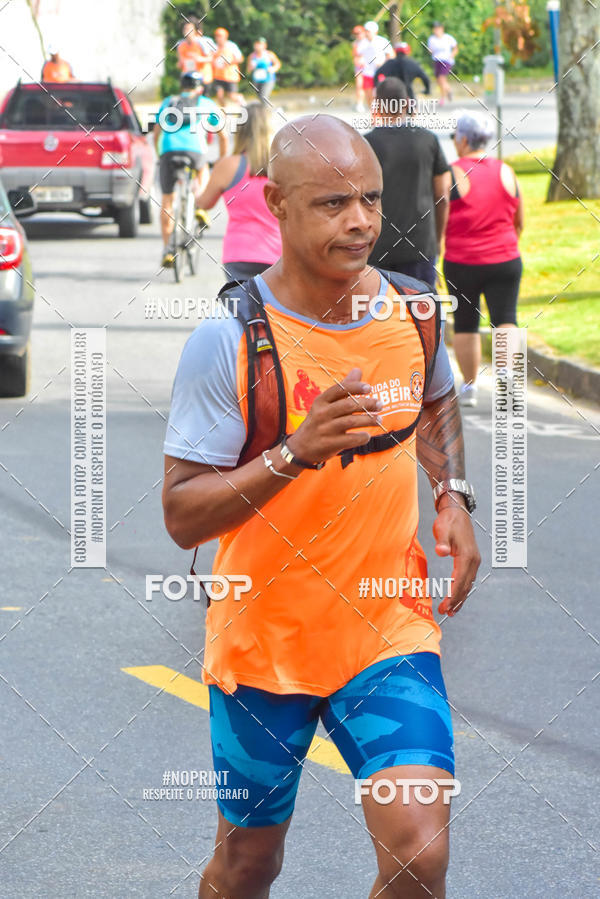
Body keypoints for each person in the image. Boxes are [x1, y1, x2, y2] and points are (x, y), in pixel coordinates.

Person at [163, 114, 480, 899]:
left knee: (420, 855)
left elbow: (436, 399)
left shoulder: (413, 312)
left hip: (388, 632)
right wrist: (293, 453)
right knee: (248, 865)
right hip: (265, 645)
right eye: (333, 203)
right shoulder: (231, 338)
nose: (361, 220)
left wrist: (452, 493)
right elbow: (181, 514)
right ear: (276, 202)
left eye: (371, 199)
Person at [443, 112, 524, 407]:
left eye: (455, 137)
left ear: (463, 140)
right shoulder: (506, 171)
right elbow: (519, 220)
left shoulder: (451, 174)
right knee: (506, 318)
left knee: (466, 322)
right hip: (505, 259)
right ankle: (507, 380)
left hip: (462, 261)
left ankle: (470, 387)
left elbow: (440, 219)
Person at [366, 78, 450, 289]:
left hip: (376, 246)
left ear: (377, 106)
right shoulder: (428, 140)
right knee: (420, 307)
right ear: (406, 104)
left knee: (378, 308)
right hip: (420, 245)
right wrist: (437, 241)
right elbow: (443, 196)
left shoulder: (366, 144)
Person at [195, 102, 282, 283]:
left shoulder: (228, 165)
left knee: (243, 301)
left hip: (239, 255)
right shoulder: (283, 165)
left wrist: (196, 189)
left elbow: (204, 203)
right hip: (278, 255)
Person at [154, 71, 226, 268]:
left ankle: (168, 250)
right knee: (203, 169)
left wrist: (160, 154)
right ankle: (200, 205)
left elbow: (157, 132)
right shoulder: (206, 103)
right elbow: (223, 135)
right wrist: (221, 160)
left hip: (169, 150)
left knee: (167, 200)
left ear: (182, 86)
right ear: (200, 88)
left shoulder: (169, 102)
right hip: (195, 150)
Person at [356, 20, 394, 109]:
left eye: (369, 31)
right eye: (366, 31)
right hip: (367, 73)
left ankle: (382, 113)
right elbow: (358, 56)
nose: (367, 33)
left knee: (379, 95)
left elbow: (391, 55)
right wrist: (360, 61)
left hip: (380, 72)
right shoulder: (362, 43)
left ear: (375, 32)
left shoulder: (382, 41)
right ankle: (373, 113)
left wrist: (384, 64)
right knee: (369, 96)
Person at [176, 20, 215, 92]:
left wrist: (200, 59)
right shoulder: (181, 44)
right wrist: (180, 64)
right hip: (188, 77)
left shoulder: (202, 42)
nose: (187, 31)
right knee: (187, 97)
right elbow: (180, 63)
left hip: (203, 77)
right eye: (185, 29)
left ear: (195, 31)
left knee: (200, 97)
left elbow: (211, 58)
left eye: (190, 29)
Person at [211, 27, 244, 106]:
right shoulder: (214, 47)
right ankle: (225, 111)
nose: (218, 38)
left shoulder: (231, 46)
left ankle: (242, 103)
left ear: (225, 36)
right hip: (218, 76)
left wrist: (229, 62)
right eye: (217, 36)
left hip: (230, 76)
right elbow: (211, 59)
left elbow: (240, 59)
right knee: (219, 95)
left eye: (220, 36)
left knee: (232, 96)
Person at [427, 22, 458, 104]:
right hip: (437, 60)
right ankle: (449, 90)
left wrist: (452, 55)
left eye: (438, 29)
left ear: (441, 29)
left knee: (442, 78)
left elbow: (455, 48)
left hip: (446, 60)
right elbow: (430, 50)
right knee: (439, 80)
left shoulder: (448, 38)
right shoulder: (432, 39)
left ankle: (442, 98)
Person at [247, 37, 281, 105]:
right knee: (259, 98)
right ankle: (264, 110)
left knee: (264, 97)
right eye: (257, 44)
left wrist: (273, 69)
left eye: (260, 44)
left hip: (268, 79)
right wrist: (251, 67)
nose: (258, 46)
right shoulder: (252, 56)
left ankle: (269, 109)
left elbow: (278, 64)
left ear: (264, 45)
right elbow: (248, 70)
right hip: (257, 80)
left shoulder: (269, 54)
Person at [351, 24, 367, 111]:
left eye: (359, 33)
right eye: (356, 34)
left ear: (363, 32)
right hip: (359, 68)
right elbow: (355, 55)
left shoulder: (368, 42)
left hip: (369, 67)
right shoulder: (355, 43)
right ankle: (359, 104)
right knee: (359, 85)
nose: (357, 35)